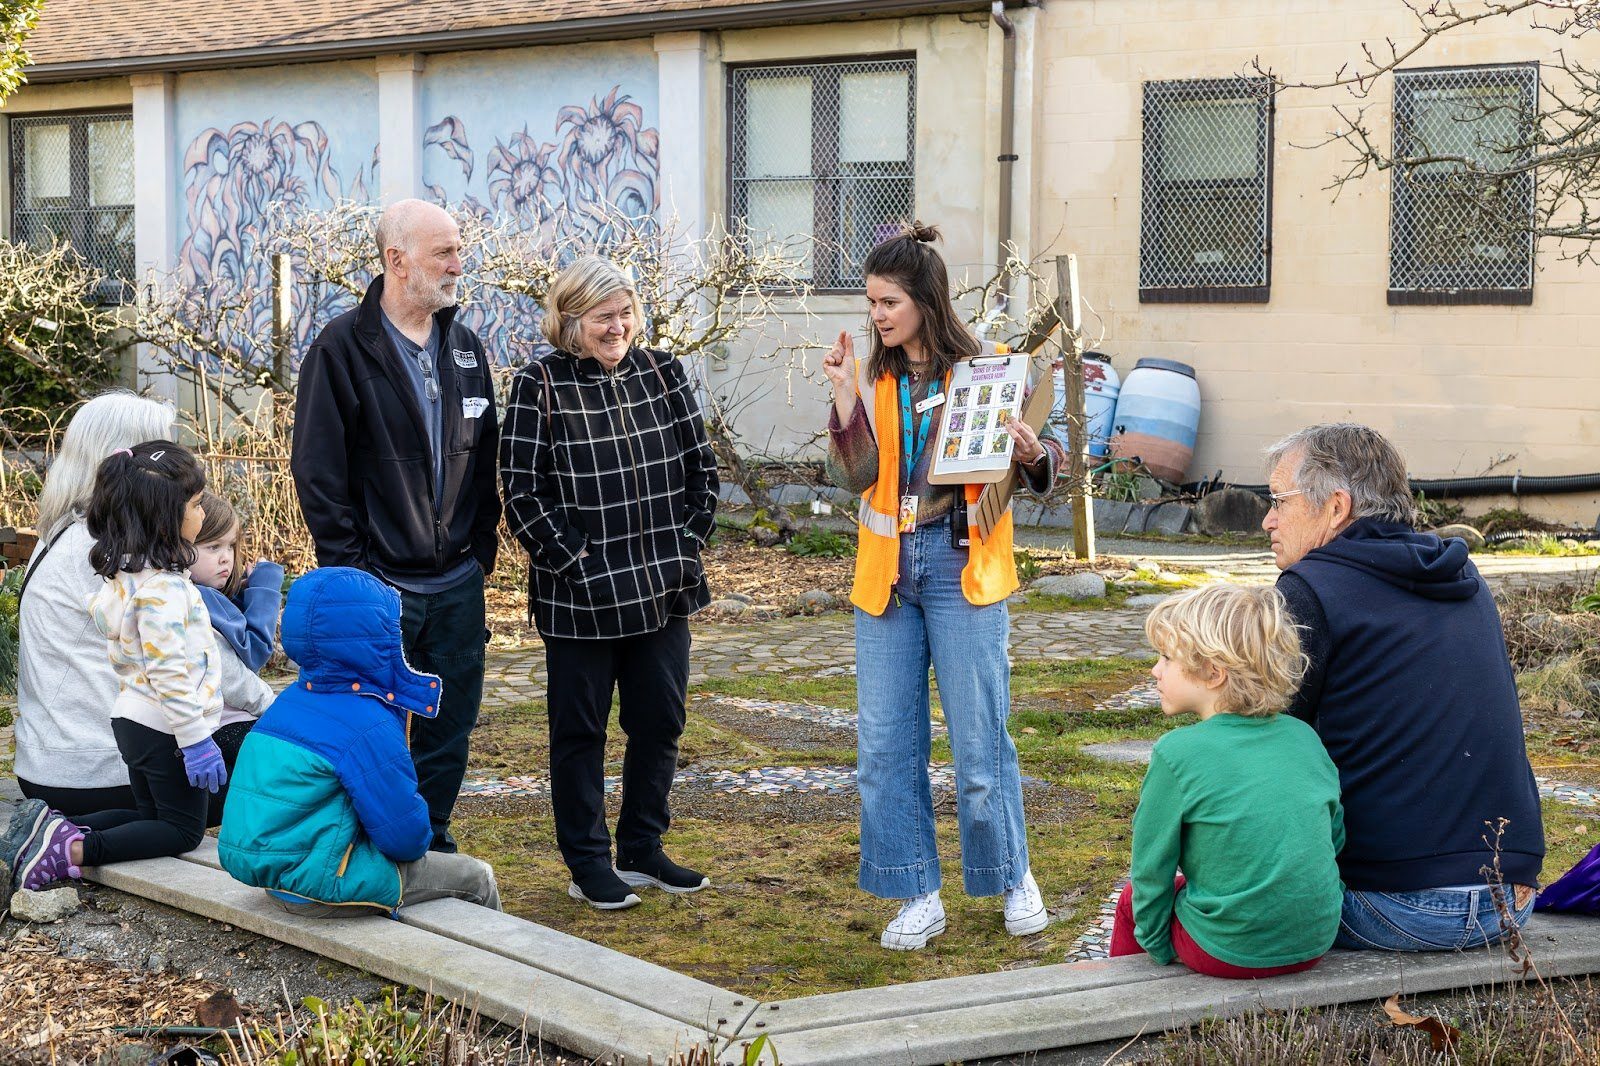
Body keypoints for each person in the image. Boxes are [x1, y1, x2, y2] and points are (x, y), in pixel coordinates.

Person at [822, 223, 1065, 950]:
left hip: (963, 568)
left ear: (926, 299)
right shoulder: (876, 377)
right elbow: (856, 476)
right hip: (887, 574)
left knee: (980, 743)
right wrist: (842, 398)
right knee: (886, 747)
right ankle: (915, 890)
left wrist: (1032, 453)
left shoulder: (992, 370)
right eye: (871, 303)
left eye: (888, 301)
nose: (877, 316)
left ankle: (1012, 874)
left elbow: (1044, 466)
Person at [1264, 422, 1545, 951]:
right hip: (1510, 899)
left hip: (1394, 902)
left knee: (1212, 912)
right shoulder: (1461, 576)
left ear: (1336, 507)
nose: (1268, 518)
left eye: (1280, 500)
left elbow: (1264, 743)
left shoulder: (1310, 589)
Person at [500, 255, 718, 911]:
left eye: (625, 313)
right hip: (581, 598)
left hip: (663, 586)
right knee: (580, 734)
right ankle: (588, 863)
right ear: (570, 321)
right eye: (603, 317)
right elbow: (523, 494)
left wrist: (685, 548)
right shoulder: (539, 384)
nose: (617, 326)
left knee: (661, 722)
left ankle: (642, 848)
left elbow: (701, 472)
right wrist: (578, 563)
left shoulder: (663, 372)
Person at [291, 198, 502, 854]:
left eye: (458, 249)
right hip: (379, 585)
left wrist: (481, 551)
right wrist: (354, 574)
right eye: (445, 252)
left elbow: (486, 453)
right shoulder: (341, 350)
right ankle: (361, 851)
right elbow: (318, 473)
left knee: (450, 724)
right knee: (371, 730)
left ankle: (430, 843)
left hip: (457, 583)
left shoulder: (465, 349)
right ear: (397, 261)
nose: (458, 264)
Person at [219, 567, 500, 917]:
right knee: (478, 877)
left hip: (278, 876)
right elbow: (407, 840)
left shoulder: (286, 703)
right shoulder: (368, 723)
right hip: (322, 882)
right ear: (374, 640)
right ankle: (490, 962)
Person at [9, 441, 224, 893]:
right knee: (184, 830)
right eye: (196, 505)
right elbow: (169, 672)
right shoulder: (165, 591)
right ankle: (71, 852)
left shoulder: (125, 576)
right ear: (166, 518)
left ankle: (53, 825)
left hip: (130, 719)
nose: (203, 514)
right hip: (166, 727)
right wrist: (196, 740)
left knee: (150, 816)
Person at [1110, 584, 1344, 977]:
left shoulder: (1177, 753)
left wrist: (1159, 946)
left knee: (1130, 900)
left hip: (1226, 949)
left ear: (1214, 673)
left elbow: (1152, 869)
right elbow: (1332, 838)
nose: (1155, 669)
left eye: (1167, 657)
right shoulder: (1305, 737)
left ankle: (1123, 994)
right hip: (1314, 941)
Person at [15, 390, 176, 816]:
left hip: (49, 766)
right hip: (102, 776)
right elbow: (185, 652)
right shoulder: (107, 550)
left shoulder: (62, 535)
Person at [188, 491, 283, 781]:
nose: (225, 558)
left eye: (230, 546)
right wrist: (265, 590)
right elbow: (251, 655)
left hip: (228, 720)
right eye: (213, 547)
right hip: (224, 725)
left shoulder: (209, 596)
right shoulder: (193, 601)